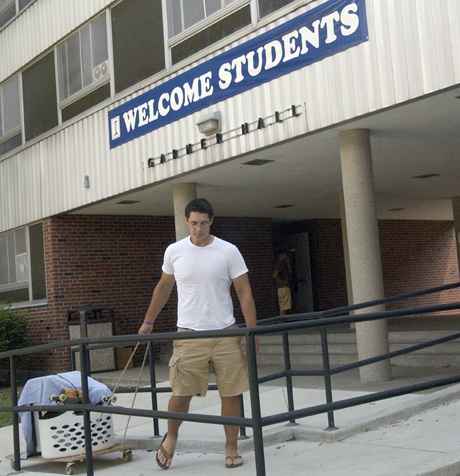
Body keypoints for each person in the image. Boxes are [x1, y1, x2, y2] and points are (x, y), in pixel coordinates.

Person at [138, 198, 257, 470]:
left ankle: (231, 448)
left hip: (226, 332)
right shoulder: (175, 251)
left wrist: (252, 332)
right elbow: (164, 287)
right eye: (193, 223)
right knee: (180, 393)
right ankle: (171, 438)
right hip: (189, 335)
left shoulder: (228, 251)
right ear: (186, 221)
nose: (198, 229)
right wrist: (148, 321)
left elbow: (244, 292)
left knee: (231, 393)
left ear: (211, 221)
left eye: (203, 223)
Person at [273, 250, 293, 315]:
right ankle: (282, 321)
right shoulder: (280, 264)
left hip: (283, 287)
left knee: (285, 306)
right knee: (284, 306)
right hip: (283, 287)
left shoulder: (283, 264)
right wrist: (282, 282)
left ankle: (283, 320)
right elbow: (274, 275)